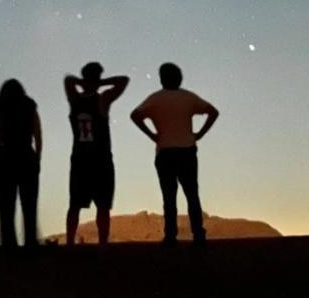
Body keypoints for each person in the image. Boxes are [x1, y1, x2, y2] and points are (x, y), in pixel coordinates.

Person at [130, 62, 219, 245]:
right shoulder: (188, 97)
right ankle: (198, 233)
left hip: (165, 151)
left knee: (169, 195)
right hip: (187, 149)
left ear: (162, 78)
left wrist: (152, 135)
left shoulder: (155, 99)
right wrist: (199, 134)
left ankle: (171, 235)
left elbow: (135, 115)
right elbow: (213, 112)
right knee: (192, 193)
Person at [64, 63, 129, 245]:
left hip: (80, 157)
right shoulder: (102, 100)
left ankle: (70, 241)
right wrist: (99, 83)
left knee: (75, 204)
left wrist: (85, 82)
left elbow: (68, 80)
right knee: (102, 204)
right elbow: (124, 81)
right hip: (100, 158)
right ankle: (102, 242)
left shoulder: (74, 99)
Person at [0, 79, 42, 248]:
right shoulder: (29, 105)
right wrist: (38, 157)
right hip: (27, 155)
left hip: (7, 157)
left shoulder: (0, 109)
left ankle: (9, 243)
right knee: (29, 205)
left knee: (6, 206)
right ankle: (30, 241)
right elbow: (38, 133)